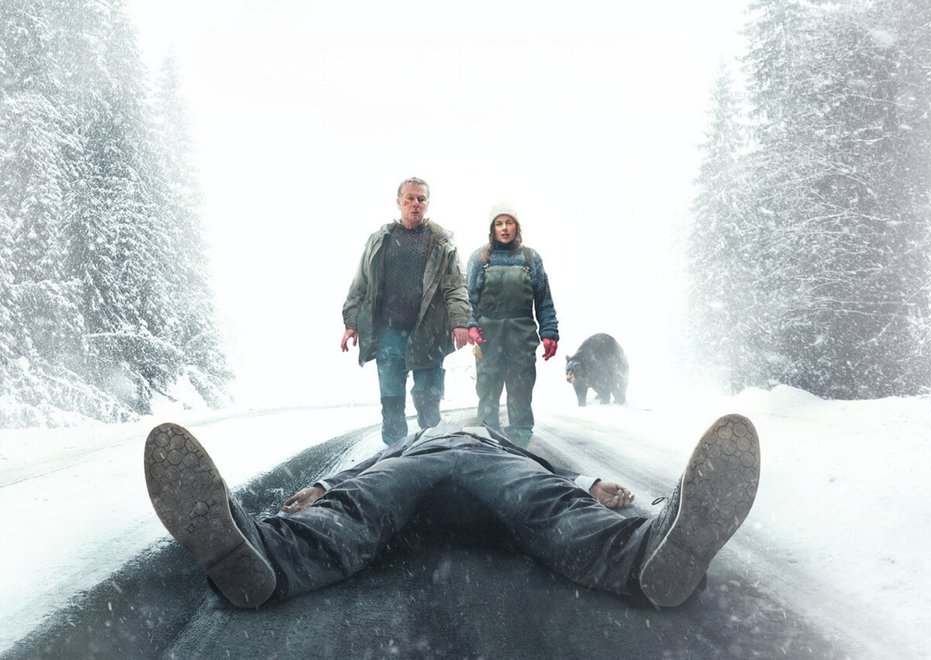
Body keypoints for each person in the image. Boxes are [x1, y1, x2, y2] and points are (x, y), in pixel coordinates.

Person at [142, 414, 760, 609]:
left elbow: (551, 477)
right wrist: (324, 490)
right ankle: (259, 554)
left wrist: (592, 483)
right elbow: (367, 474)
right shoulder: (417, 439)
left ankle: (652, 554)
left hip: (490, 492)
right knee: (370, 497)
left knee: (541, 500)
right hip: (421, 494)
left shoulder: (494, 440)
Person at [340, 178, 471, 444]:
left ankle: (431, 453)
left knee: (428, 402)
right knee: (391, 402)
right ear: (398, 201)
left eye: (420, 199)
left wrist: (459, 321)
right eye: (409, 198)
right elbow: (361, 283)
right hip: (389, 332)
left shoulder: (442, 242)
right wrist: (351, 322)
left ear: (427, 203)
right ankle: (393, 456)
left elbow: (455, 286)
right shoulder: (381, 240)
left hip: (429, 332)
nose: (415, 204)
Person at [466, 203, 559, 446]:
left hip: (521, 336)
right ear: (492, 228)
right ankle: (487, 442)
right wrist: (471, 325)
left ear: (516, 226)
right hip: (489, 337)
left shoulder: (530, 258)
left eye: (509, 223)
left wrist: (550, 332)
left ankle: (520, 443)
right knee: (487, 390)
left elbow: (544, 300)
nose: (504, 228)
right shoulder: (479, 259)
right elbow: (469, 299)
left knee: (520, 390)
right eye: (499, 223)